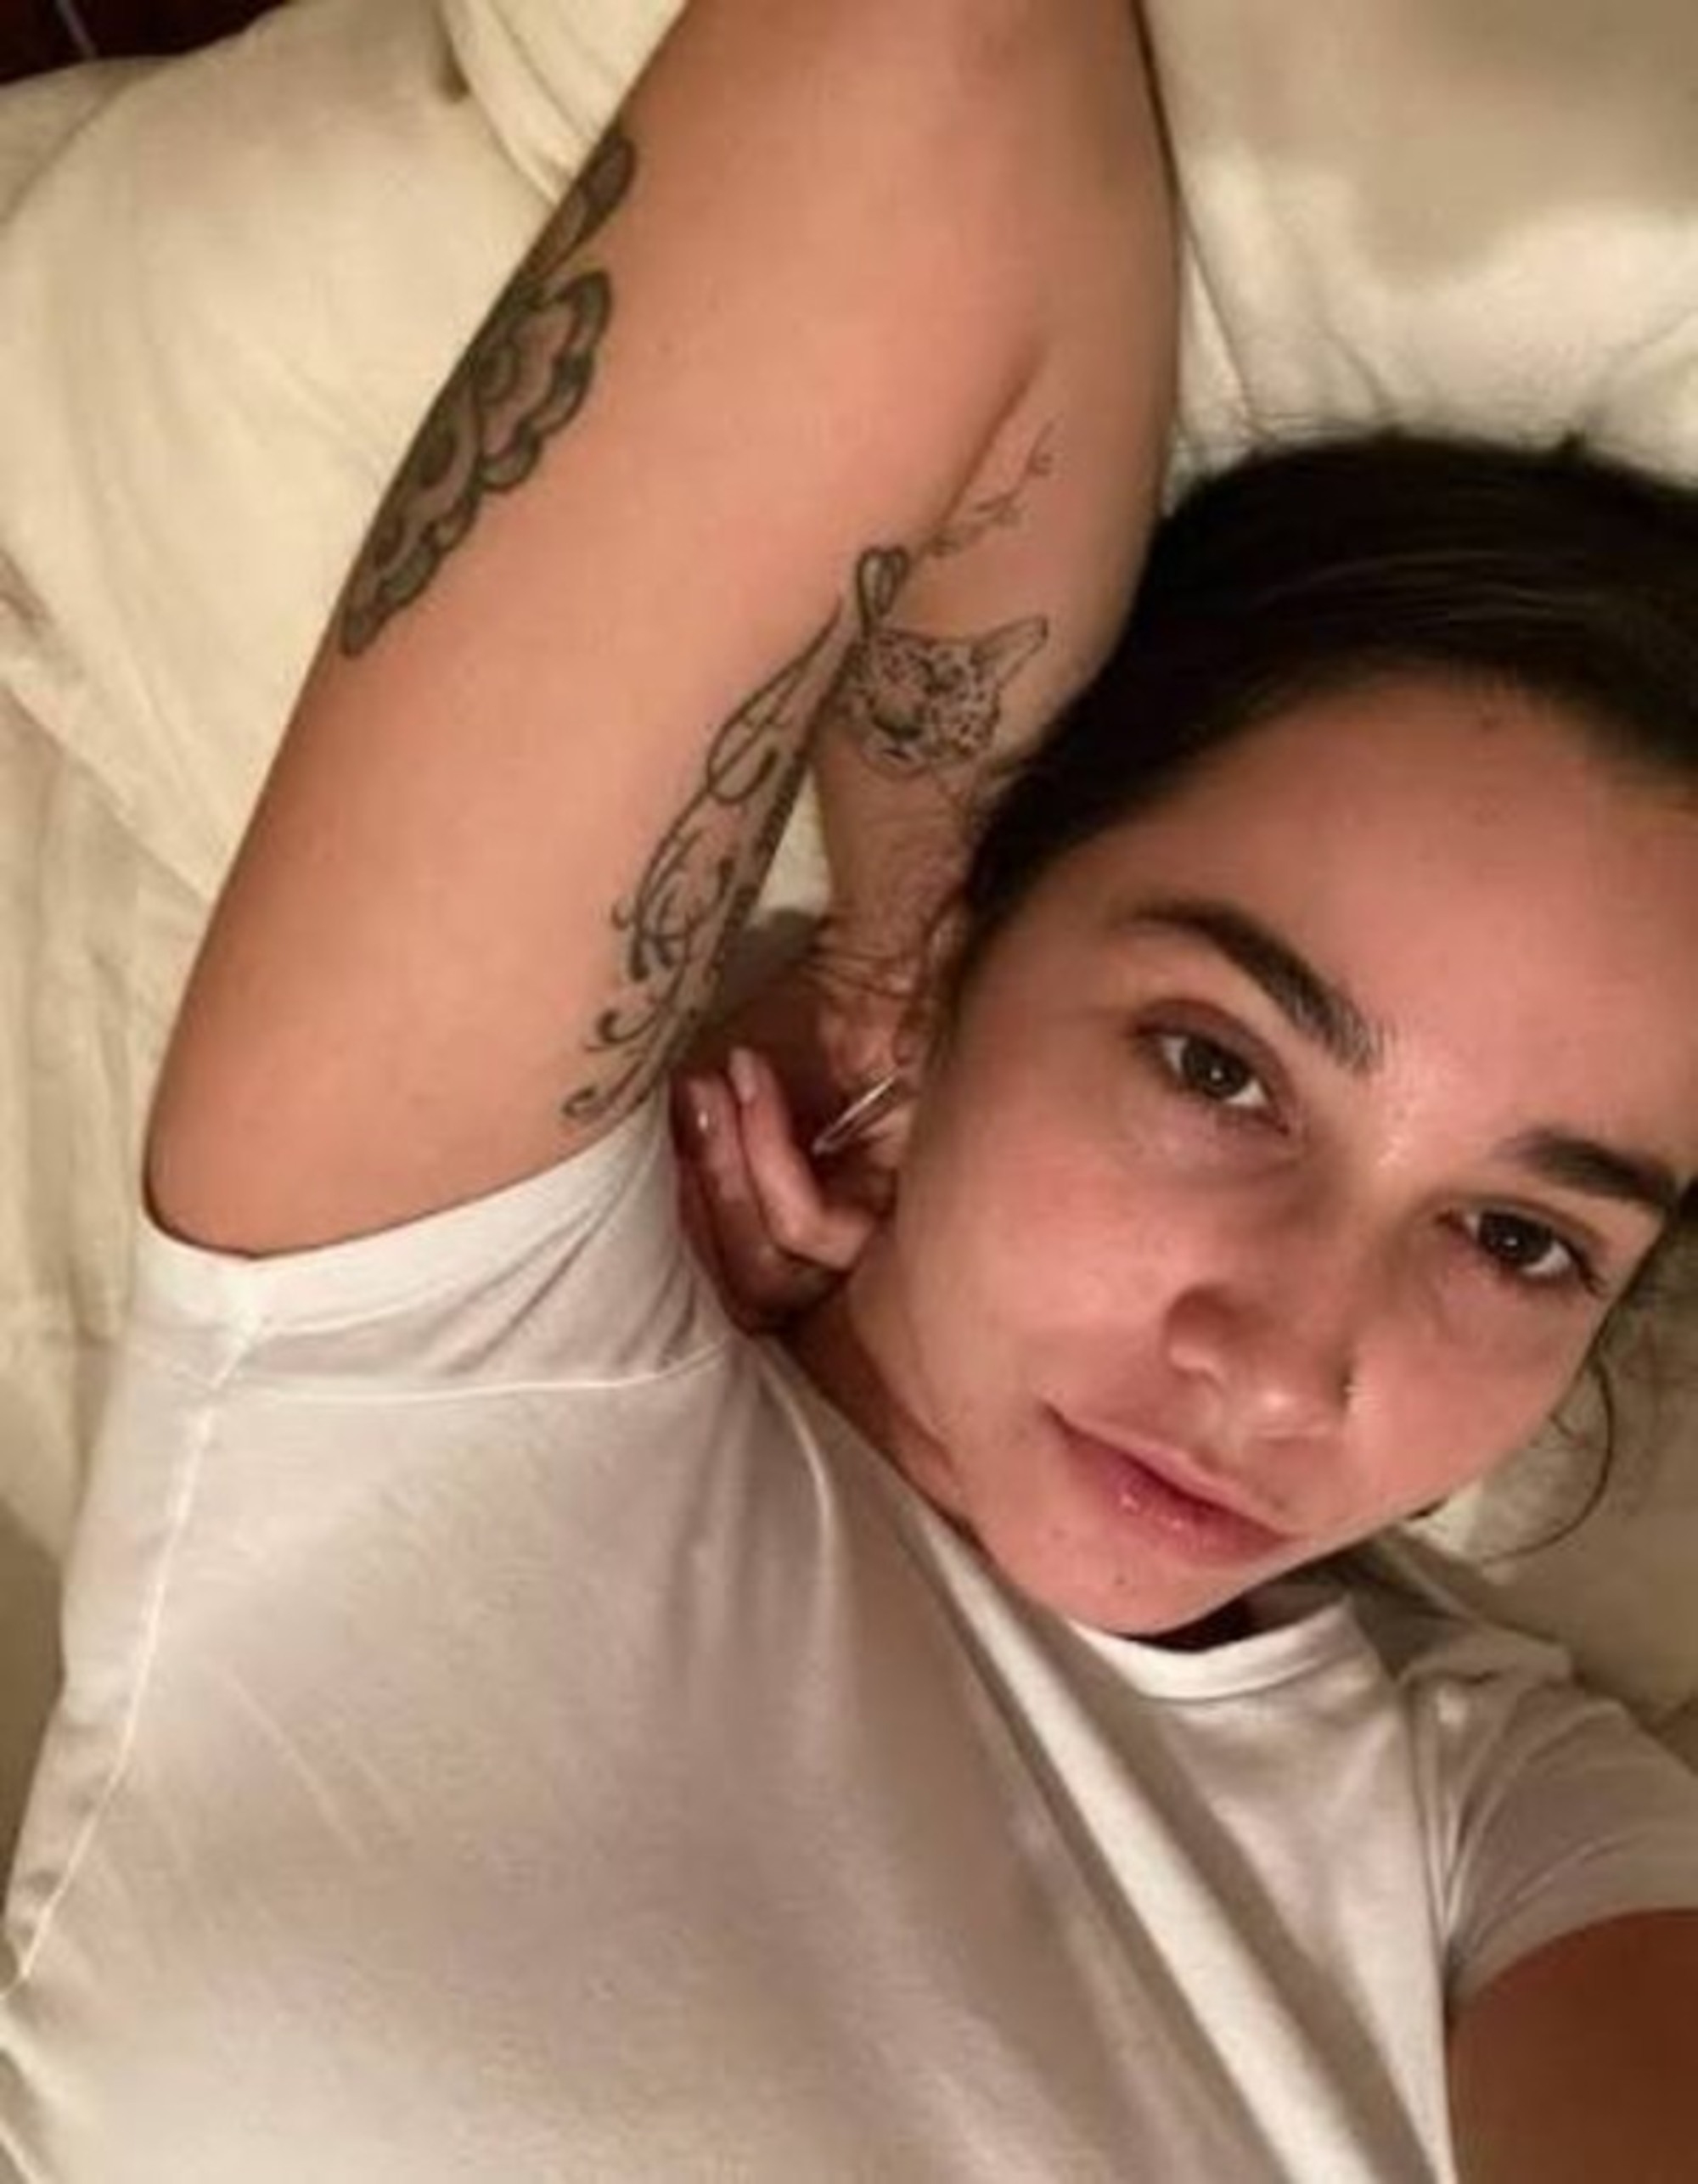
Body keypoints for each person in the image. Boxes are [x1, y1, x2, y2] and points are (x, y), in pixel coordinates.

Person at [2, 1, 1696, 2177]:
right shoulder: (443, 1355)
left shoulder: (1507, 1824)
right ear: (992, 944)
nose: (1285, 1368)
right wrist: (885, 972)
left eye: (1518, 1238)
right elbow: (920, 50)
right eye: (1215, 1065)